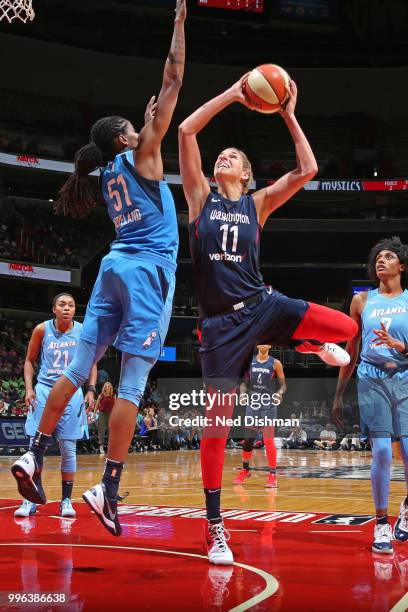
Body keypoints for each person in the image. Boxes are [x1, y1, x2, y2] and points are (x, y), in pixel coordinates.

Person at [11, 0, 186, 537]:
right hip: (147, 271)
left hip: (111, 266)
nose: (144, 128)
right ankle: (107, 490)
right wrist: (179, 23)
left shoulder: (109, 168)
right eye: (136, 127)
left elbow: (135, 135)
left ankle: (32, 454)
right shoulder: (142, 153)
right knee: (132, 384)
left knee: (71, 372)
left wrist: (144, 120)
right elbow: (174, 75)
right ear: (125, 138)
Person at [178, 75, 358, 564]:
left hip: (263, 305)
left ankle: (307, 344)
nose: (224, 158)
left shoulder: (258, 204)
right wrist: (234, 94)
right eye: (223, 156)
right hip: (218, 326)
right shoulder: (200, 199)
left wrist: (286, 112)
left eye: (233, 157)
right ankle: (214, 526)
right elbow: (187, 133)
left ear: (247, 174)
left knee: (346, 329)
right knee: (216, 425)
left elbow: (309, 167)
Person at [333, 236, 408, 554]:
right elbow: (351, 349)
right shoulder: (361, 301)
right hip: (371, 380)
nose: (381, 260)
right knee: (380, 452)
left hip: (404, 379)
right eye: (378, 256)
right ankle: (380, 525)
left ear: (401, 266)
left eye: (388, 256)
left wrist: (401, 346)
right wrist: (338, 393)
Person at [14, 293, 97, 519]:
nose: (67, 308)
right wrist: (29, 389)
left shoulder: (83, 331)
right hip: (44, 390)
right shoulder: (42, 329)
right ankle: (29, 500)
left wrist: (90, 389)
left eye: (70, 305)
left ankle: (66, 500)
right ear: (54, 310)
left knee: (67, 448)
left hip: (72, 393)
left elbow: (92, 363)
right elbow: (29, 360)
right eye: (62, 304)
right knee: (34, 446)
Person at [234, 344, 286, 488]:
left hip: (268, 404)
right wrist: (243, 395)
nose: (263, 344)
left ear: (270, 345)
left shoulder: (275, 363)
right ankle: (245, 470)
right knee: (248, 440)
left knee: (268, 440)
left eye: (266, 342)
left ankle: (272, 475)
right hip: (252, 404)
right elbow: (244, 384)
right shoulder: (249, 362)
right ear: (257, 345)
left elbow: (283, 385)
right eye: (261, 342)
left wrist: (279, 393)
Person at [94, 382, 115, 455]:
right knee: (101, 430)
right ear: (104, 387)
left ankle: (110, 447)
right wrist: (94, 413)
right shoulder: (101, 395)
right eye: (106, 386)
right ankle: (101, 446)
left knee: (111, 431)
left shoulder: (113, 396)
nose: (107, 387)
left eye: (108, 386)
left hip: (111, 414)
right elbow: (96, 405)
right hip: (102, 414)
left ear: (111, 387)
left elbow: (115, 407)